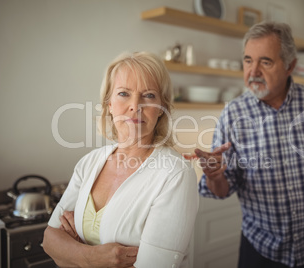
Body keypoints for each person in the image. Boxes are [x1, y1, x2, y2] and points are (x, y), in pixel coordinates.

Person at [195, 22, 304, 268]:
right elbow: (221, 188)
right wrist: (214, 175)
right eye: (248, 60)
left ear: (290, 66)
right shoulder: (233, 113)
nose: (253, 71)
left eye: (266, 62)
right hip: (260, 251)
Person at [43, 51, 199, 268]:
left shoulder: (176, 174)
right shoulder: (90, 162)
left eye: (149, 95)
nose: (135, 106)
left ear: (161, 109)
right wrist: (91, 258)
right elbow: (49, 240)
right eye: (124, 93)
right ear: (109, 104)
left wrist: (71, 251)